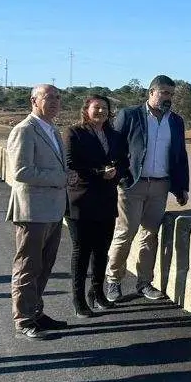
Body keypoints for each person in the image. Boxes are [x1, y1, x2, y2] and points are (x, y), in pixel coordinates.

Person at [105, 75, 189, 302]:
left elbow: (180, 156)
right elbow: (114, 149)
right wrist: (119, 176)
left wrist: (181, 187)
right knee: (126, 232)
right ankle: (113, 280)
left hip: (160, 185)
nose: (168, 98)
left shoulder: (176, 121)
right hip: (132, 184)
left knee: (149, 236)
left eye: (171, 94)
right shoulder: (130, 115)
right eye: (163, 93)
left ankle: (144, 283)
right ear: (151, 93)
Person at [5, 84, 69, 339]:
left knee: (44, 267)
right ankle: (23, 319)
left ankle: (36, 312)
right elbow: (21, 172)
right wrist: (60, 178)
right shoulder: (24, 130)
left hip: (52, 210)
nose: (54, 101)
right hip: (32, 211)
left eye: (57, 97)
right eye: (48, 97)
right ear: (34, 100)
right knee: (27, 266)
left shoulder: (52, 129)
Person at [64, 95, 127, 317]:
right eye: (96, 108)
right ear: (86, 110)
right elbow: (71, 165)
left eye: (104, 108)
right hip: (80, 200)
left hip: (107, 200)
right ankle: (78, 300)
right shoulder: (74, 133)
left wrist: (116, 173)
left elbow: (123, 162)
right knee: (81, 252)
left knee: (102, 251)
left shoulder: (115, 136)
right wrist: (100, 173)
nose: (100, 111)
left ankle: (97, 293)